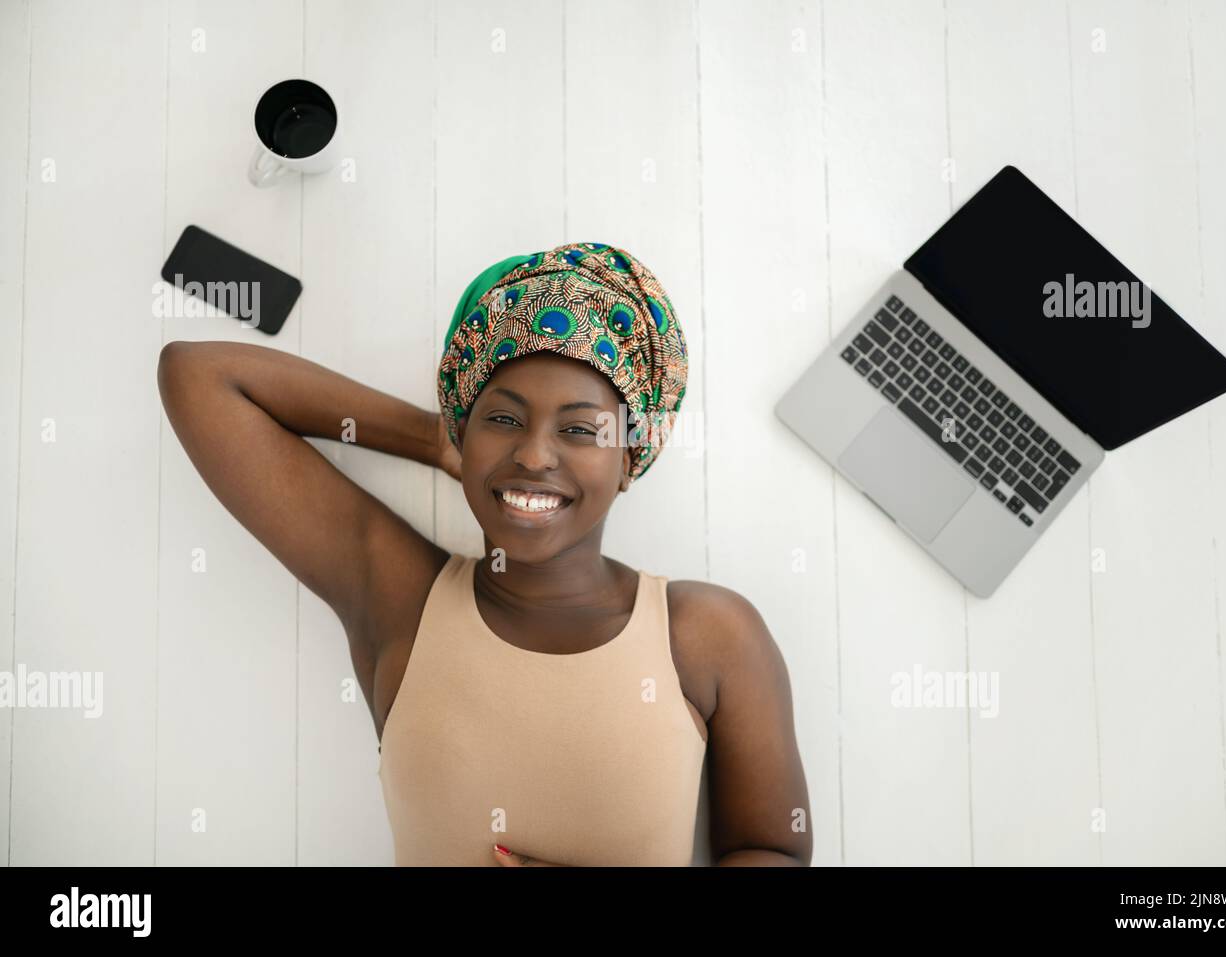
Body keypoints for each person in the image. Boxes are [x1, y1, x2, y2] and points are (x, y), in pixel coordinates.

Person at [157, 240, 811, 866]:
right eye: (503, 418)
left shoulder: (707, 634)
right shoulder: (403, 604)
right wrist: (440, 438)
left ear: (627, 459)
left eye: (580, 429)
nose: (532, 453)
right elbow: (200, 376)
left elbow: (776, 848)